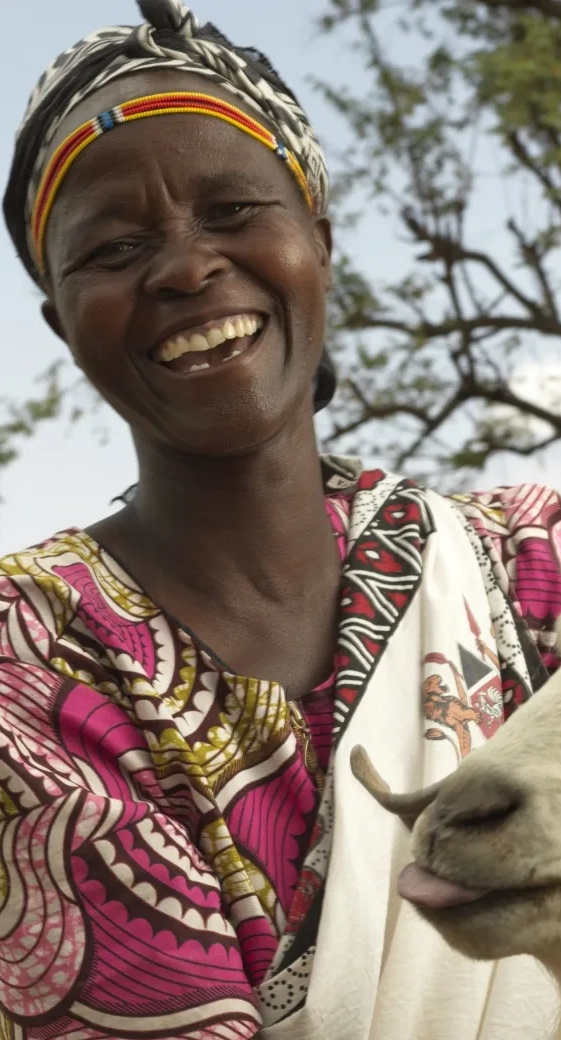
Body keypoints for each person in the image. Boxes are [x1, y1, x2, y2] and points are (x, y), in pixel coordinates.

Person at [1, 2, 561, 1037]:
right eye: (115, 247)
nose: (182, 267)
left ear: (320, 239)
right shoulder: (30, 667)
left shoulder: (528, 567)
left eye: (230, 210)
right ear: (61, 324)